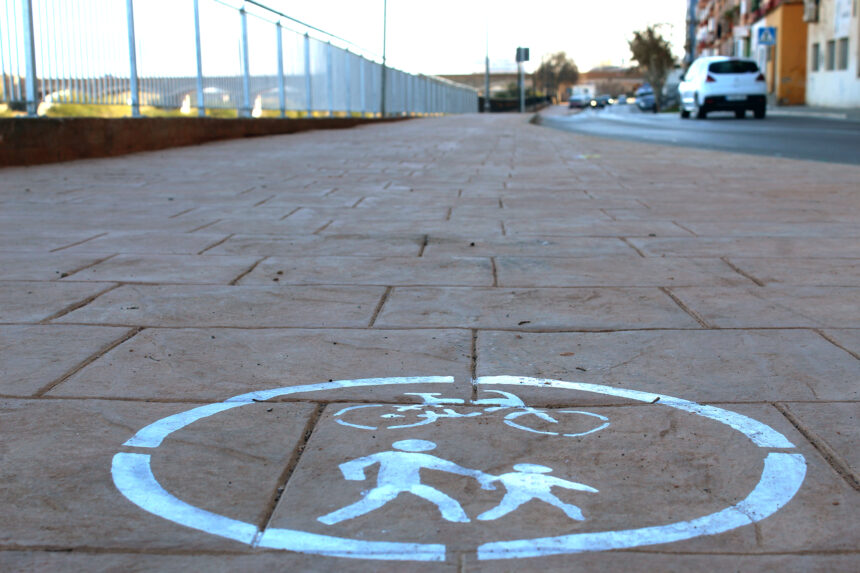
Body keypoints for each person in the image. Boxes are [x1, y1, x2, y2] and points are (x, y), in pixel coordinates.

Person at [318, 439, 496, 525]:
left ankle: (458, 519)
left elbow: (447, 466)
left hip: (411, 485)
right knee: (369, 503)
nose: (416, 449)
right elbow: (352, 465)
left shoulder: (416, 457)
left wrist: (474, 473)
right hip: (390, 485)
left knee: (444, 499)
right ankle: (331, 519)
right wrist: (357, 481)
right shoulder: (388, 455)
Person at [477, 463, 598, 521]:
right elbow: (492, 478)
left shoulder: (546, 478)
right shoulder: (511, 475)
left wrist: (588, 488)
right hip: (519, 492)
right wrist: (487, 484)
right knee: (507, 506)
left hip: (540, 491)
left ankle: (575, 513)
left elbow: (568, 484)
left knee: (560, 504)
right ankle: (487, 517)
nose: (531, 471)